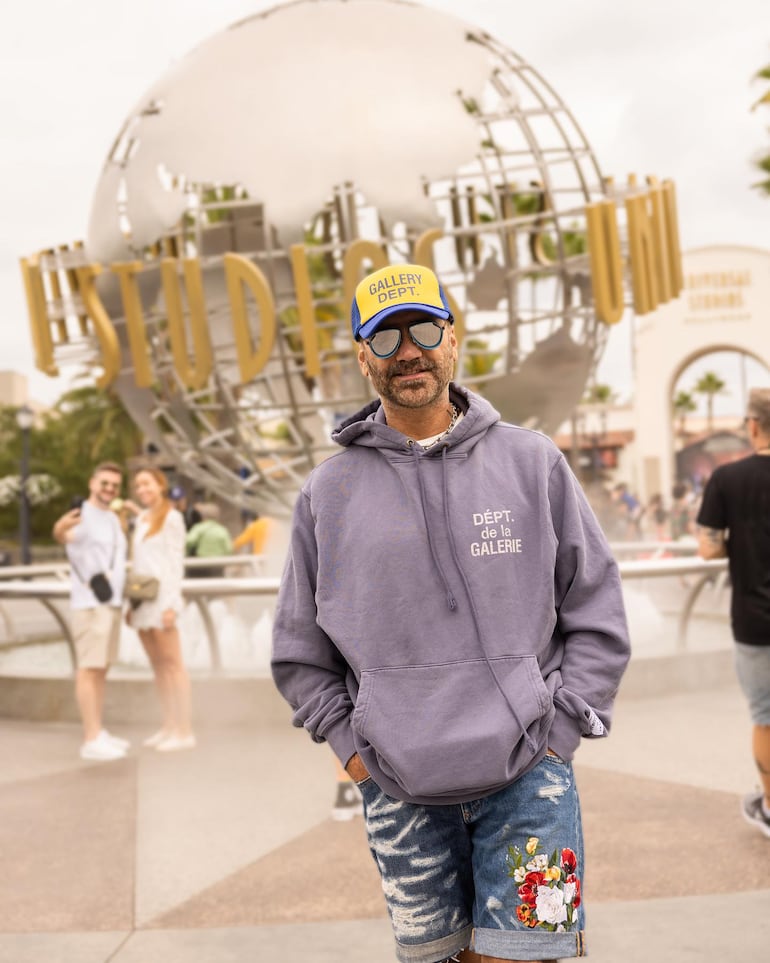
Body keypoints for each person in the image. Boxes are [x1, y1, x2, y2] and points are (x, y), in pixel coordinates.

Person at [271, 263, 631, 963]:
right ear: (361, 355)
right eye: (385, 336)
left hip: (531, 779)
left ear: (453, 338)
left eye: (424, 328)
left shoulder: (532, 461)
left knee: (531, 955)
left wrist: (560, 730)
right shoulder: (328, 492)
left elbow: (596, 604)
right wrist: (356, 755)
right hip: (400, 794)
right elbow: (298, 650)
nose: (408, 349)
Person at [697, 387, 770, 839]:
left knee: (765, 713)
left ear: (753, 425)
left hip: (754, 618)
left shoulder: (728, 480)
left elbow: (707, 547)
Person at [52, 462, 129, 761]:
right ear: (92, 483)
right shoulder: (80, 515)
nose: (109, 489)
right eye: (104, 483)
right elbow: (62, 535)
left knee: (101, 669)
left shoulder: (110, 517)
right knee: (89, 669)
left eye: (114, 485)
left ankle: (98, 730)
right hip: (89, 604)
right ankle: (90, 738)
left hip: (110, 604)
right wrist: (59, 528)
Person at [127, 467, 195, 751]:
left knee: (173, 666)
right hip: (142, 600)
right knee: (158, 668)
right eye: (138, 485)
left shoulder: (172, 517)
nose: (142, 490)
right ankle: (168, 725)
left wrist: (170, 606)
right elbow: (139, 564)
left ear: (160, 484)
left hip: (162, 601)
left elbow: (174, 564)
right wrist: (132, 603)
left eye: (147, 484)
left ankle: (184, 731)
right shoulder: (142, 519)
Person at [185, 502, 233, 577]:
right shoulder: (223, 530)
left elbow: (189, 541)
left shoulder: (199, 528)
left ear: (203, 516)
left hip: (201, 565)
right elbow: (229, 549)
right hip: (218, 566)